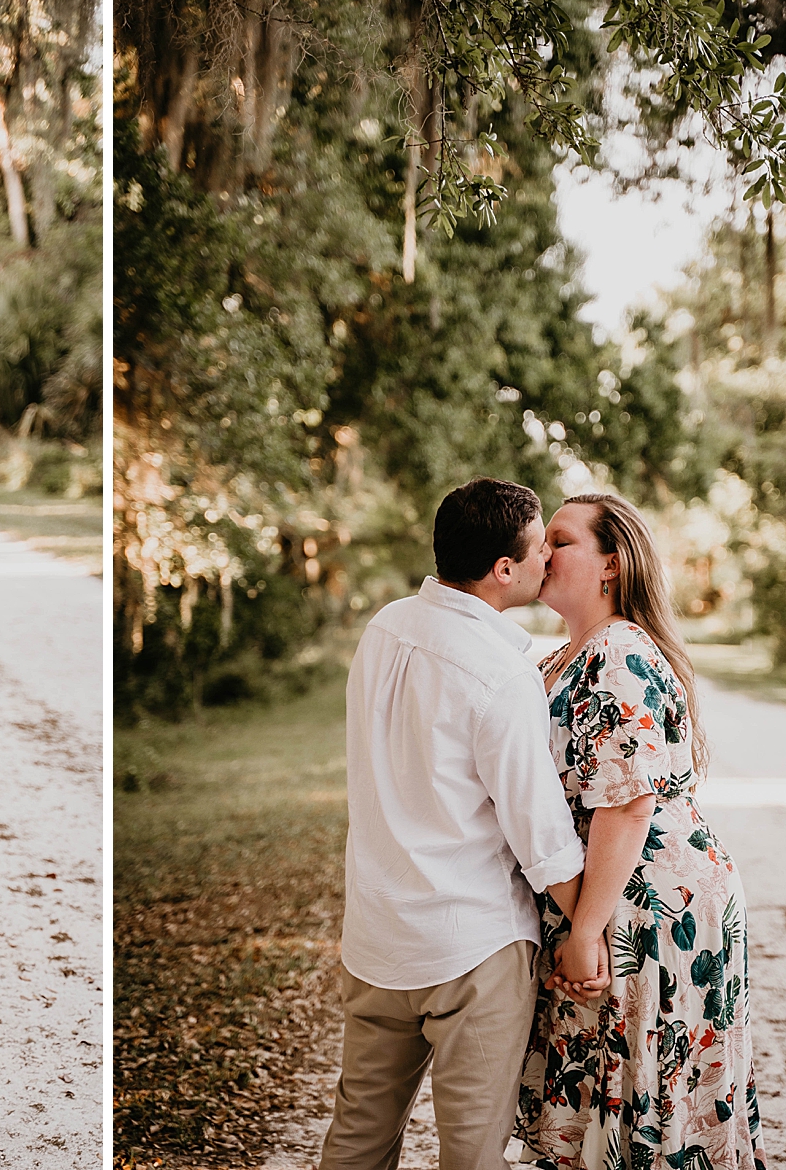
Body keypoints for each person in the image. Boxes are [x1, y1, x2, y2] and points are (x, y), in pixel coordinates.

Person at [321, 477, 603, 1170]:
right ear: (504, 569)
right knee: (472, 1156)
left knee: (358, 1138)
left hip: (378, 939)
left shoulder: (382, 628)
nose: (546, 561)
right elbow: (540, 834)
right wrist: (590, 931)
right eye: (540, 548)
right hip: (471, 950)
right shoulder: (500, 672)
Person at [515, 493, 766, 1169]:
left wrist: (586, 930)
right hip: (609, 894)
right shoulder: (563, 657)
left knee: (645, 1094)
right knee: (606, 1093)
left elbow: (627, 805)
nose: (542, 552)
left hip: (649, 905)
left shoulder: (619, 651)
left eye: (559, 540)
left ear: (611, 564)